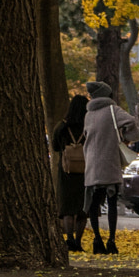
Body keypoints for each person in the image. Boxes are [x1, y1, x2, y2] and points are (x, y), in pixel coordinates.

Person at [81, 80, 139, 255]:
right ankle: (112, 241)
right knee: (112, 201)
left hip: (92, 163)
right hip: (109, 162)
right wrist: (126, 137)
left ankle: (97, 240)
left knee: (94, 204)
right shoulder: (112, 110)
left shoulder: (88, 114)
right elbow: (131, 123)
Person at [50, 93, 89, 253]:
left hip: (66, 171)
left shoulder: (62, 126)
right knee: (82, 209)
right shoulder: (88, 127)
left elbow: (55, 147)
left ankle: (69, 240)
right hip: (85, 171)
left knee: (67, 207)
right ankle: (78, 241)